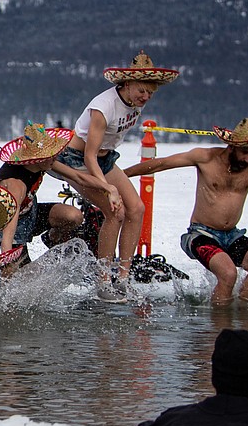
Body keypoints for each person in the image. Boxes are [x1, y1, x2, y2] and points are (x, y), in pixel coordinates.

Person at [124, 116, 248, 305]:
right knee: (228, 274)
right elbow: (161, 163)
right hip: (201, 234)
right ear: (232, 147)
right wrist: (122, 175)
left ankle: (243, 315)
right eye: (245, 152)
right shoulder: (206, 157)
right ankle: (218, 325)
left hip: (232, 235)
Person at [59, 51, 179, 302]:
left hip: (106, 158)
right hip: (79, 160)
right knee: (115, 211)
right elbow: (89, 155)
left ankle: (123, 279)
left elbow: (103, 153)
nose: (145, 97)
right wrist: (107, 189)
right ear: (126, 84)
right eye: (141, 91)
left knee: (137, 208)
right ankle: (103, 281)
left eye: (150, 93)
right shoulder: (103, 108)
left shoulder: (134, 105)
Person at [0, 122, 121, 271]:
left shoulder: (42, 163)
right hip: (9, 225)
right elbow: (10, 226)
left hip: (30, 213)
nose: (56, 157)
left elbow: (78, 176)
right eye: (51, 155)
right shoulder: (16, 184)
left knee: (73, 216)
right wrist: (7, 257)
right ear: (38, 158)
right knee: (22, 278)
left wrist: (108, 188)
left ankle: (52, 237)